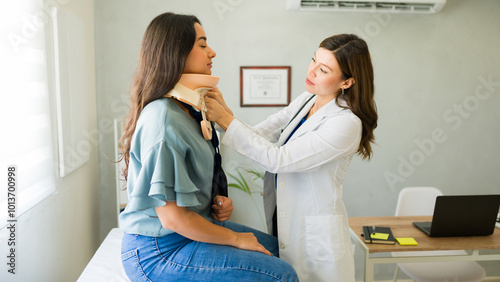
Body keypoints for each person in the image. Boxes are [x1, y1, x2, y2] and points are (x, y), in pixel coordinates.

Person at [118, 12, 298, 282]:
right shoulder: (163, 121)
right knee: (282, 274)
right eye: (202, 45)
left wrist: (215, 202)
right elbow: (173, 219)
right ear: (176, 53)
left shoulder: (189, 111)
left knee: (278, 250)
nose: (212, 52)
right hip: (159, 250)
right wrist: (235, 239)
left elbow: (193, 188)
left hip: (189, 232)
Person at [205, 34, 378, 281]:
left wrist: (224, 119)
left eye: (324, 69)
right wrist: (224, 113)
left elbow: (278, 159)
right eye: (314, 61)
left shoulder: (346, 123)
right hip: (284, 219)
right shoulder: (308, 99)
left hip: (316, 239)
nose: (312, 71)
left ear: (347, 82)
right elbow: (259, 134)